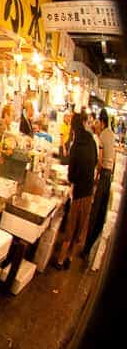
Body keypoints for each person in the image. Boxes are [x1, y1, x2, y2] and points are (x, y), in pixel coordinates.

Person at [56, 113, 98, 269]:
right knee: (80, 226)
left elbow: (71, 173)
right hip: (88, 190)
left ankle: (60, 260)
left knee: (71, 226)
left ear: (74, 127)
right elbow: (94, 162)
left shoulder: (76, 145)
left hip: (78, 191)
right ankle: (70, 258)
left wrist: (72, 180)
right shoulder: (92, 141)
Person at [86, 109, 116, 252]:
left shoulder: (103, 136)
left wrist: (96, 177)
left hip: (103, 174)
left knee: (94, 212)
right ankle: (91, 244)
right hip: (109, 175)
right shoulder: (111, 134)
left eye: (98, 122)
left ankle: (86, 248)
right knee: (100, 214)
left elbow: (100, 160)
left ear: (102, 122)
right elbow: (113, 158)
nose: (97, 125)